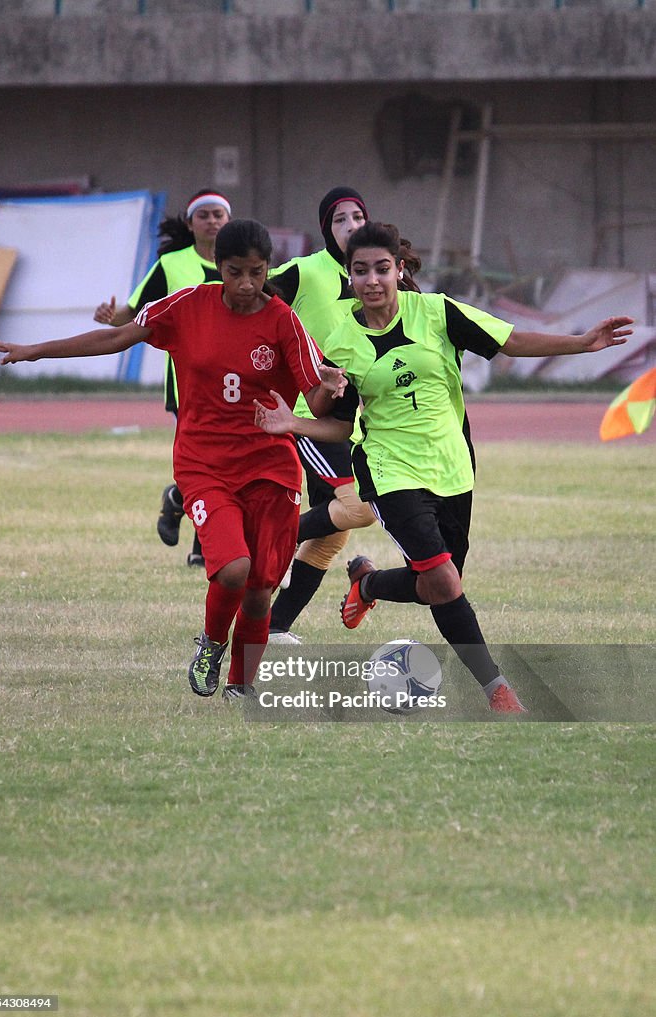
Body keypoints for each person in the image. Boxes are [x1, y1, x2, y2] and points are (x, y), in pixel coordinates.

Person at [254, 221, 634, 714]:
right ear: (348, 276)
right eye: (360, 270)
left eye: (382, 269)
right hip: (389, 470)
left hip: (452, 467)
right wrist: (294, 423)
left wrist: (581, 343)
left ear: (400, 270)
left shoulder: (437, 312)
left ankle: (367, 583)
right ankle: (497, 689)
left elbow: (510, 341)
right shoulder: (341, 342)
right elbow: (337, 424)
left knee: (437, 583)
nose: (372, 280)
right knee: (445, 582)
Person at [0, 220, 346, 703]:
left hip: (269, 464)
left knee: (262, 586)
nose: (246, 284)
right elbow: (118, 337)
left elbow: (317, 401)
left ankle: (242, 685)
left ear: (267, 270)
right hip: (204, 463)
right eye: (235, 272)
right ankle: (212, 643)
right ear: (218, 267)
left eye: (257, 273)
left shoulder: (282, 319)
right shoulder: (188, 304)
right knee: (234, 570)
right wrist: (37, 351)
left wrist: (332, 385)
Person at [94, 188, 232, 568]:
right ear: (190, 224)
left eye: (218, 214)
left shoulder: (240, 264)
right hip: (188, 383)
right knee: (208, 464)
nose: (212, 221)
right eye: (203, 215)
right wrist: (112, 317)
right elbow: (134, 313)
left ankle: (180, 506)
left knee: (225, 464)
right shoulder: (172, 265)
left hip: (236, 380)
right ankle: (199, 538)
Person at [266, 185, 377, 643]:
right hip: (309, 415)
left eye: (357, 216)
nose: (350, 225)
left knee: (335, 530)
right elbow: (250, 300)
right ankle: (272, 537)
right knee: (359, 507)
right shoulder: (306, 272)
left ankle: (274, 627)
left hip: (354, 422)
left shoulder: (376, 276)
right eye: (339, 219)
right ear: (325, 230)